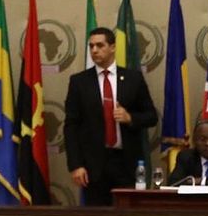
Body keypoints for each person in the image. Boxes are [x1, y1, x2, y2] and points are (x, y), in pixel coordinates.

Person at [64, 27, 159, 206]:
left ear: (113, 47)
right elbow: (71, 126)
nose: (94, 50)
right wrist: (76, 165)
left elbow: (151, 116)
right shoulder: (79, 82)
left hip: (127, 163)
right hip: (94, 165)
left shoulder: (133, 78)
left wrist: (130, 118)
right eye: (91, 46)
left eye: (100, 45)